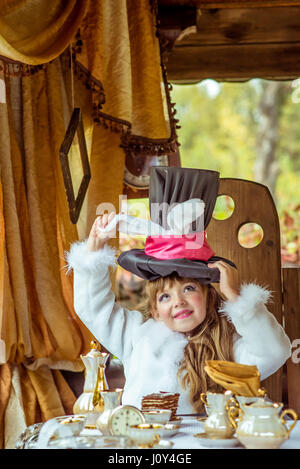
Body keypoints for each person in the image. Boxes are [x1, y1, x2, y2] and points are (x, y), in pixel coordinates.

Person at [66, 167, 291, 414]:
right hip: (143, 442)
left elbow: (274, 352)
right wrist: (94, 250)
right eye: (165, 296)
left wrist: (237, 298)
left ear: (209, 295)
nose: (178, 302)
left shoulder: (227, 344)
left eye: (189, 288)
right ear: (154, 309)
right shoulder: (135, 335)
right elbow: (92, 308)